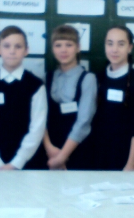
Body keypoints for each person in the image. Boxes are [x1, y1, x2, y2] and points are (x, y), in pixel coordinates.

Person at [0, 25, 47, 170]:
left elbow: (37, 127)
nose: (12, 51)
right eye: (6, 46)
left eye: (18, 46)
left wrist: (17, 162)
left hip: (29, 163)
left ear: (26, 50)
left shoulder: (35, 85)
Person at [37, 24, 97, 170]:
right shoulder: (47, 78)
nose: (63, 50)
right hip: (49, 151)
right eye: (58, 45)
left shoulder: (88, 79)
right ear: (52, 49)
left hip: (77, 151)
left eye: (69, 45)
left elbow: (84, 122)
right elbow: (40, 116)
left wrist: (62, 157)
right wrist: (50, 149)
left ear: (78, 47)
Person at [92, 25, 134, 171]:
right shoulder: (97, 78)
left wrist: (131, 164)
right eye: (110, 43)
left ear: (130, 47)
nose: (114, 49)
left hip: (124, 156)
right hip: (98, 153)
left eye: (121, 44)